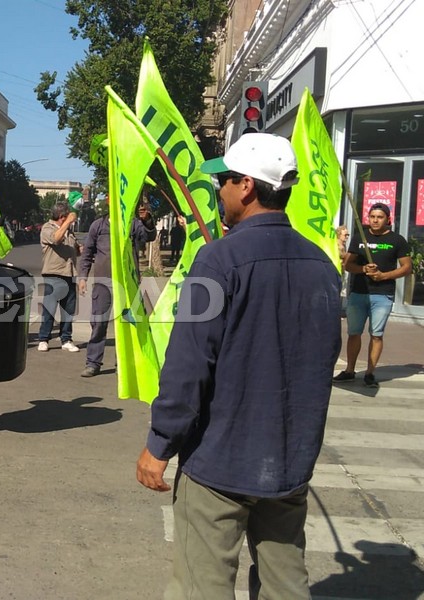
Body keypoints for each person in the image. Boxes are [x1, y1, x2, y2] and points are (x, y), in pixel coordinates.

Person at [135, 133, 342, 599]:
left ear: (246, 186)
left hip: (219, 463)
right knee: (286, 583)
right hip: (289, 461)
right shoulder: (322, 265)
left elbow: (188, 365)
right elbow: (322, 356)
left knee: (200, 586)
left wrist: (160, 443)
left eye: (223, 182)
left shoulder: (218, 261)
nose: (219, 192)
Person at [333, 203, 411, 388]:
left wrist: (384, 275)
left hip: (382, 295)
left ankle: (369, 373)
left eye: (380, 217)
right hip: (359, 293)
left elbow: (407, 268)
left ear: (388, 219)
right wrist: (362, 269)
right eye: (372, 217)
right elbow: (348, 265)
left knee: (376, 335)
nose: (375, 220)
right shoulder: (360, 238)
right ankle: (350, 370)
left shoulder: (397, 240)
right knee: (354, 333)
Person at [78, 201, 156, 377]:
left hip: (129, 283)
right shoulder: (98, 224)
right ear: (108, 201)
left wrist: (147, 220)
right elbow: (87, 253)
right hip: (103, 283)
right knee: (99, 323)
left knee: (129, 324)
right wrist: (82, 277)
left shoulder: (133, 223)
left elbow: (149, 236)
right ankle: (93, 363)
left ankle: (124, 363)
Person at [37, 202, 81, 352]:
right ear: (62, 217)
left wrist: (81, 249)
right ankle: (43, 338)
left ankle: (66, 339)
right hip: (53, 274)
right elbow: (56, 239)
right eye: (67, 215)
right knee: (49, 308)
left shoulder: (69, 231)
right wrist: (68, 222)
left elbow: (75, 248)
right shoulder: (47, 228)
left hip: (69, 273)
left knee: (68, 309)